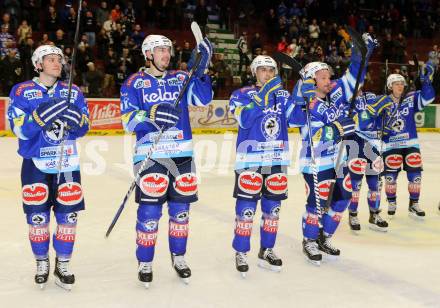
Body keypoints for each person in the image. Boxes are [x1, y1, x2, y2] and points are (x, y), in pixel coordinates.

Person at [119, 34, 213, 287]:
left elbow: (203, 99)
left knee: (181, 212)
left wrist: (201, 70)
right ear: (148, 54)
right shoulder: (134, 83)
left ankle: (179, 257)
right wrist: (151, 114)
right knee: (149, 212)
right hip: (151, 156)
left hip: (182, 154)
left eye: (168, 50)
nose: (166, 55)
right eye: (160, 50)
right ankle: (145, 261)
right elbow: (128, 120)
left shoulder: (181, 78)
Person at [7, 45, 89, 290]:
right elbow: (17, 128)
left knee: (68, 218)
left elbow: (85, 125)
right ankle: (41, 261)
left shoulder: (72, 91)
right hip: (36, 165)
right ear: (38, 64)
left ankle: (63, 263)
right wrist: (38, 119)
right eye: (50, 59)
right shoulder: (21, 90)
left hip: (67, 165)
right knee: (37, 218)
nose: (56, 63)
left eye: (59, 59)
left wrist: (79, 123)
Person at [292, 33, 375, 265]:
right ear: (311, 81)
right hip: (315, 161)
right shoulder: (305, 102)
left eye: (330, 76)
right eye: (324, 77)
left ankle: (324, 236)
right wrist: (338, 128)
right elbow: (317, 136)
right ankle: (309, 240)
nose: (330, 80)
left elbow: (354, 77)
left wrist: (362, 56)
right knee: (315, 204)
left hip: (339, 160)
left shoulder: (336, 92)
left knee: (343, 198)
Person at [229, 55, 302, 277]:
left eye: (271, 70)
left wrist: (301, 95)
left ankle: (267, 249)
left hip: (276, 161)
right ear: (254, 72)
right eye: (263, 70)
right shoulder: (241, 95)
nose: (268, 74)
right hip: (250, 161)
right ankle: (241, 251)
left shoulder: (282, 96)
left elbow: (297, 119)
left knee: (273, 211)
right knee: (246, 210)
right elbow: (245, 120)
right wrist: (263, 96)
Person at [366, 61, 436, 219]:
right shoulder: (382, 101)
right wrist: (379, 129)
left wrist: (426, 82)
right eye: (397, 84)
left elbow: (428, 97)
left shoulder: (410, 98)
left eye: (402, 84)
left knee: (415, 176)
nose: (400, 86)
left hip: (411, 144)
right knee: (390, 177)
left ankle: (414, 204)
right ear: (390, 86)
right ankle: (391, 201)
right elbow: (372, 121)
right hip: (391, 145)